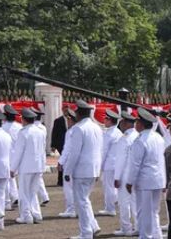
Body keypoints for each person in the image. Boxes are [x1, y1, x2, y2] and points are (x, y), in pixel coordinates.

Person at [124, 107, 166, 239]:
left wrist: (130, 181)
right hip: (158, 179)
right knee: (153, 211)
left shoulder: (140, 140)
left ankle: (146, 236)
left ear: (141, 124)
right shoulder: (158, 137)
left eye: (137, 122)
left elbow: (135, 164)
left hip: (145, 181)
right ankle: (156, 235)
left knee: (144, 212)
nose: (136, 124)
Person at [63, 100, 102, 239]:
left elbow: (75, 153)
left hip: (82, 170)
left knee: (82, 202)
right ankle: (93, 226)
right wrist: (98, 169)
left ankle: (86, 233)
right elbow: (99, 151)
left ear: (79, 114)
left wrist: (67, 171)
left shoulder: (79, 128)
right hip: (92, 169)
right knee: (85, 200)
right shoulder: (96, 127)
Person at [11, 107, 46, 224]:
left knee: (24, 192)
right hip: (38, 166)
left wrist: (12, 168)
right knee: (32, 191)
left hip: (26, 167)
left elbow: (18, 152)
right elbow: (42, 150)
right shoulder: (40, 131)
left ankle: (26, 215)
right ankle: (36, 214)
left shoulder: (23, 132)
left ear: (24, 119)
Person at [112, 110, 139, 237]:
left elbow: (120, 161)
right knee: (135, 202)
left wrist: (116, 177)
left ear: (127, 123)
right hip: (136, 175)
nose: (120, 124)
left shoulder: (125, 139)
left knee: (124, 203)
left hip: (125, 175)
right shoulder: (138, 136)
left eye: (122, 121)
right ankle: (138, 226)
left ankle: (126, 228)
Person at [99, 109, 122, 217]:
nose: (104, 120)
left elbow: (104, 151)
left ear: (109, 120)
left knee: (108, 187)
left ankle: (110, 208)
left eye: (105, 119)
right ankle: (115, 201)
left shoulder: (108, 134)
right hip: (117, 163)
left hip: (109, 164)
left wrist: (100, 166)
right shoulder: (118, 132)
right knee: (113, 187)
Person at [2, 104, 21, 208]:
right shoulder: (19, 127)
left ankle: (8, 201)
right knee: (12, 178)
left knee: (5, 179)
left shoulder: (3, 127)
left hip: (5, 155)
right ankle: (15, 196)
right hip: (16, 155)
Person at [31, 106, 50, 205]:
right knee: (38, 177)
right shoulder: (43, 127)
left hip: (34, 156)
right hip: (41, 155)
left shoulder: (33, 128)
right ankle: (44, 196)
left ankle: (44, 196)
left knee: (35, 178)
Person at [51, 103, 69, 186]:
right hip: (61, 145)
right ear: (62, 110)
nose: (66, 110)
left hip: (70, 145)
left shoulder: (74, 120)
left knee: (67, 162)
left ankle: (67, 179)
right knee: (62, 161)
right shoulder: (58, 121)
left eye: (67, 108)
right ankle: (60, 180)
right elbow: (54, 133)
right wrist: (53, 145)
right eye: (65, 109)